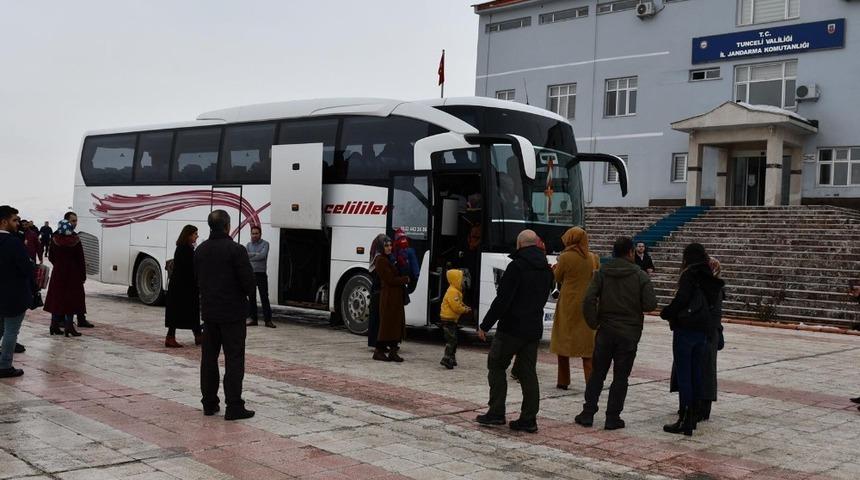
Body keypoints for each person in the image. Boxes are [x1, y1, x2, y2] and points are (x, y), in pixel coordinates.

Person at [475, 230, 554, 433]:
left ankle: (496, 413)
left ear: (519, 244)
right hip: (533, 329)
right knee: (528, 373)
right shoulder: (547, 269)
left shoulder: (516, 266)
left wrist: (485, 324)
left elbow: (503, 300)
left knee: (496, 365)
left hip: (511, 328)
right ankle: (529, 419)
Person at [575, 237, 657, 430]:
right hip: (629, 333)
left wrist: (594, 322)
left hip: (606, 330)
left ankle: (588, 413)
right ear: (630, 252)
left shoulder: (602, 272)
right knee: (621, 377)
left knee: (598, 373)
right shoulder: (640, 275)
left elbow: (588, 300)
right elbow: (650, 304)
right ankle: (612, 417)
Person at [194, 210, 257, 420]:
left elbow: (197, 281)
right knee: (234, 360)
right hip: (232, 314)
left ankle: (209, 403)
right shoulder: (236, 250)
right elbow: (248, 282)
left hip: (210, 314)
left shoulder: (200, 250)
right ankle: (234, 406)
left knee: (209, 359)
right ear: (227, 226)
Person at [660, 244, 725, 436]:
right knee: (696, 373)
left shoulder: (690, 274)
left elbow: (681, 299)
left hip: (686, 331)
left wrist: (667, 313)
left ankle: (685, 419)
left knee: (685, 375)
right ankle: (694, 414)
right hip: (703, 333)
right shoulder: (710, 278)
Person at [550, 227, 596, 391]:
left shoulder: (565, 257)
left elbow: (558, 277)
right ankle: (590, 380)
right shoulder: (592, 257)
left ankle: (563, 380)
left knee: (564, 340)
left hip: (568, 302)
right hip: (586, 303)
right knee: (587, 345)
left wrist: (555, 269)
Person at [0, 206, 33, 378]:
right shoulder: (13, 242)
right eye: (14, 220)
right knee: (11, 332)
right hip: (13, 295)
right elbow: (26, 268)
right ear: (4, 222)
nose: (18, 223)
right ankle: (4, 366)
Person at [44, 214, 86, 338]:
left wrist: (58, 264)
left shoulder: (54, 239)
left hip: (58, 273)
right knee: (71, 300)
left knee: (57, 299)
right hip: (73, 274)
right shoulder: (75, 240)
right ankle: (69, 326)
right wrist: (82, 275)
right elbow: (80, 260)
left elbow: (50, 257)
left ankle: (54, 325)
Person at [372, 235, 409, 362]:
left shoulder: (389, 258)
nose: (389, 248)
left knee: (395, 324)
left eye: (390, 245)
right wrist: (405, 279)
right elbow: (389, 280)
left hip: (395, 297)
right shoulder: (380, 260)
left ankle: (393, 351)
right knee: (387, 325)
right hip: (388, 297)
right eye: (386, 246)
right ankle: (379, 351)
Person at [164, 225, 202, 348]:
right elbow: (189, 268)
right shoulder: (185, 249)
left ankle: (197, 335)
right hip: (183, 287)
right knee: (187, 311)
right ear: (188, 235)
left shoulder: (184, 248)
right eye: (195, 234)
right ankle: (195, 336)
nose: (197, 236)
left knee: (187, 311)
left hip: (182, 286)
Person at [439, 268, 471, 369]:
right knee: (451, 340)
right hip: (448, 320)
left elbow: (459, 303)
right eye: (461, 279)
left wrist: (465, 306)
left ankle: (452, 359)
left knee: (454, 340)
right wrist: (465, 310)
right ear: (456, 280)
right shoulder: (453, 292)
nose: (463, 282)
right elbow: (456, 307)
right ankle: (446, 358)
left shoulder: (456, 291)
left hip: (451, 320)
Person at [246, 225, 275, 328]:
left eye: (256, 233)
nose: (254, 235)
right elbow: (246, 257)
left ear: (260, 234)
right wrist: (256, 254)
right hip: (251, 274)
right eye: (252, 233)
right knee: (252, 297)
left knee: (264, 297)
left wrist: (251, 255)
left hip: (261, 274)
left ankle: (268, 320)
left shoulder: (265, 244)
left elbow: (263, 255)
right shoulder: (248, 245)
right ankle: (253, 319)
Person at [392, 228, 420, 294]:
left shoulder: (394, 245)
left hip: (399, 272)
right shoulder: (410, 251)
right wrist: (417, 275)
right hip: (407, 272)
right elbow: (414, 265)